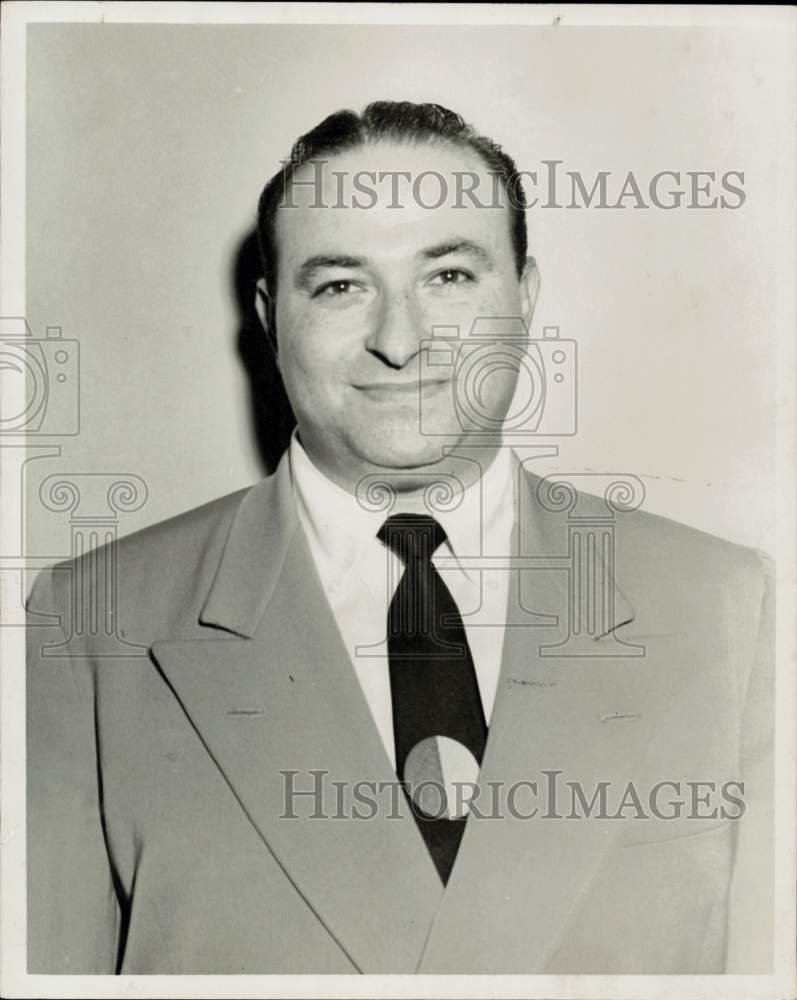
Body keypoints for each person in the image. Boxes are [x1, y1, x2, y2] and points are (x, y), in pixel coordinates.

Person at [26, 101, 774, 975]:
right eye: (340, 285)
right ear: (271, 318)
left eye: (448, 277)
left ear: (524, 297)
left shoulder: (725, 605)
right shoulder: (91, 628)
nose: (399, 339)